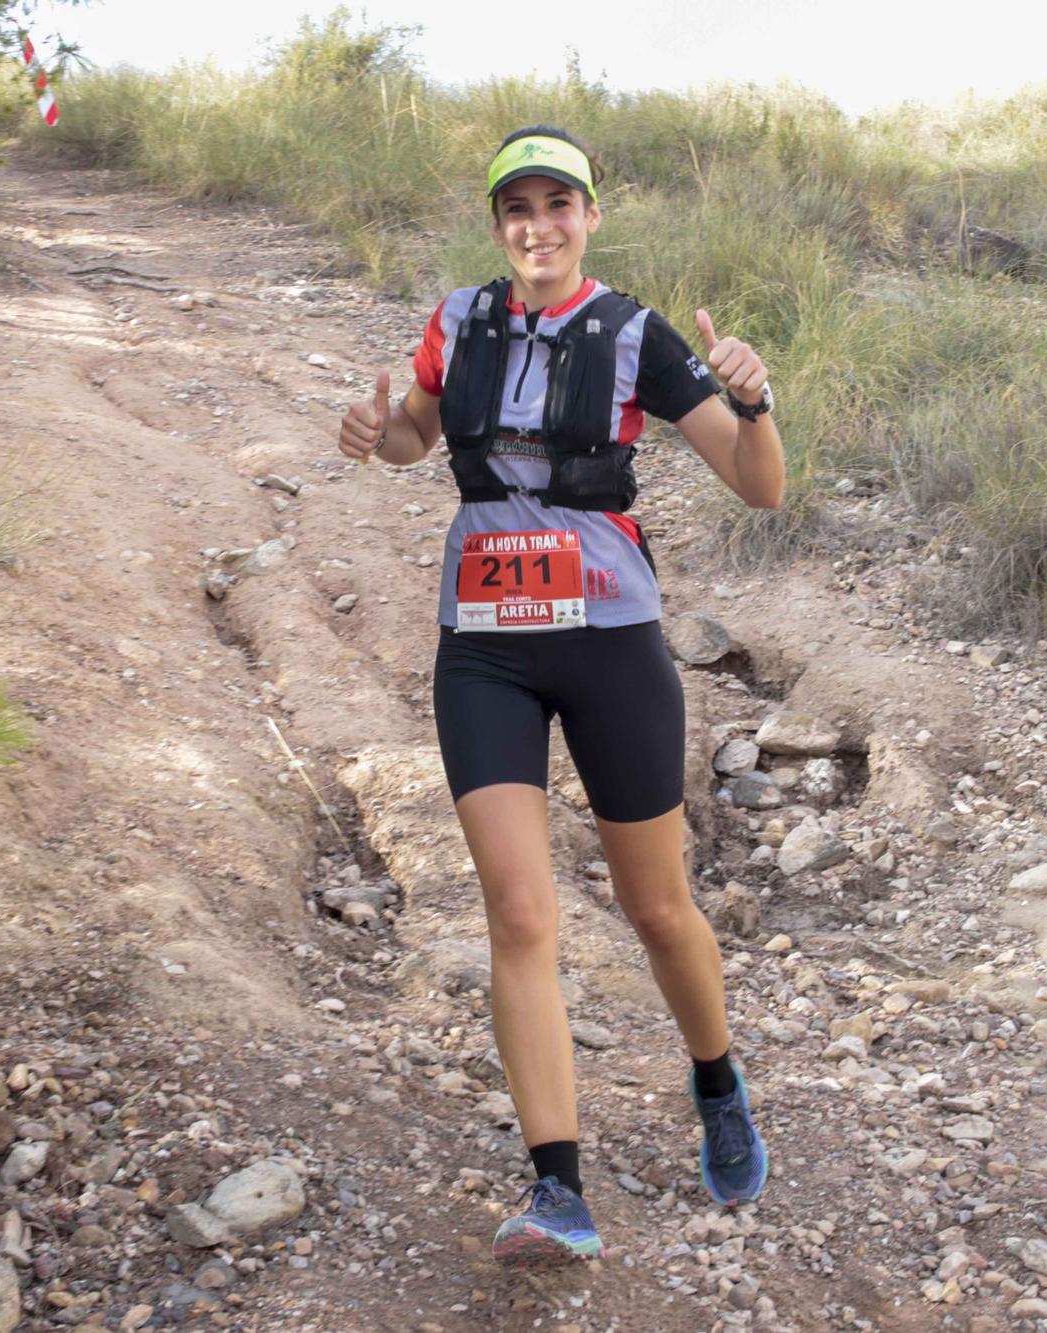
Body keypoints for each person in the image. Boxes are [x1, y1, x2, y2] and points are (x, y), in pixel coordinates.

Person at [335, 125, 784, 1267]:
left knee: (656, 908)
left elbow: (757, 487)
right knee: (521, 912)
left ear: (590, 214)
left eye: (557, 204)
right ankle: (557, 1189)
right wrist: (372, 433)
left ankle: (716, 1082)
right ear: (498, 224)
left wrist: (757, 400)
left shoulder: (636, 333)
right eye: (516, 207)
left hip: (610, 640)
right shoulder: (461, 320)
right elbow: (411, 439)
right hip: (482, 643)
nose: (537, 224)